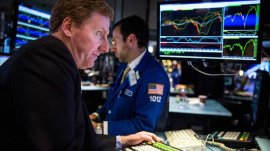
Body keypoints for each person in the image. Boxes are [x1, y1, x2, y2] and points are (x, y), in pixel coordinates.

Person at [0, 0, 162, 150]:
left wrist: (124, 140)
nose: (105, 47)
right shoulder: (47, 59)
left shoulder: (57, 59)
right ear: (69, 27)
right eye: (99, 34)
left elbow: (79, 137)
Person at [90, 15, 170, 135]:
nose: (112, 48)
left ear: (131, 40)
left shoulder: (155, 75)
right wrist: (95, 116)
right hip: (113, 140)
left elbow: (144, 124)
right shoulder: (125, 66)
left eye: (115, 41)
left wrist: (100, 128)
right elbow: (112, 101)